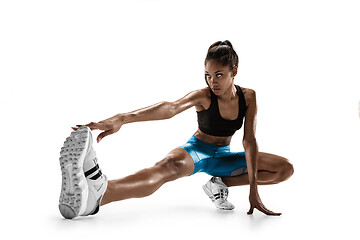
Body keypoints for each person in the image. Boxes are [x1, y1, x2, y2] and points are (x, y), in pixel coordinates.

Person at [58, 40, 294, 219]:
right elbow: (169, 108)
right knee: (166, 167)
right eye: (208, 76)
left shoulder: (249, 97)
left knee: (284, 169)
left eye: (219, 75)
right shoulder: (204, 96)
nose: (213, 82)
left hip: (223, 158)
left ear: (234, 71)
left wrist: (253, 189)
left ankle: (219, 183)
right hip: (197, 152)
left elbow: (249, 141)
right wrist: (122, 118)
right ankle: (99, 193)